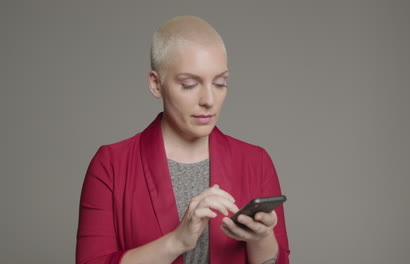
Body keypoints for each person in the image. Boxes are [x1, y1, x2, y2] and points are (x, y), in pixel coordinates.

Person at [76, 16, 290, 264]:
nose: (209, 99)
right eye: (189, 84)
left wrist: (262, 239)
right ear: (156, 84)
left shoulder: (256, 161)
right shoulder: (111, 164)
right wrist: (177, 241)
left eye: (220, 83)